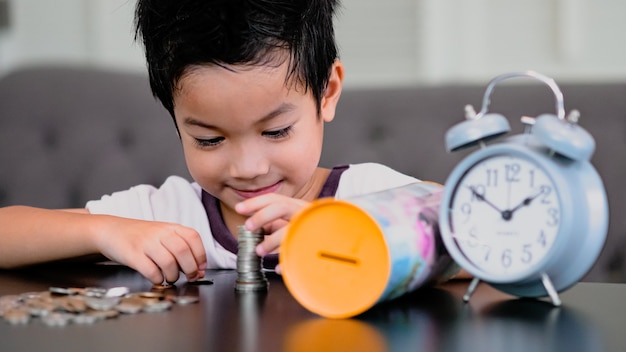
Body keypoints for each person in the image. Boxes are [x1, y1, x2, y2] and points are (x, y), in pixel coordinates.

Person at [0, 0, 420, 284]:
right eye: (209, 139)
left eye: (275, 131)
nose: (248, 167)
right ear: (176, 119)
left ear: (326, 93)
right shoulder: (170, 217)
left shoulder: (367, 196)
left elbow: (474, 232)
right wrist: (105, 232)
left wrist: (357, 231)